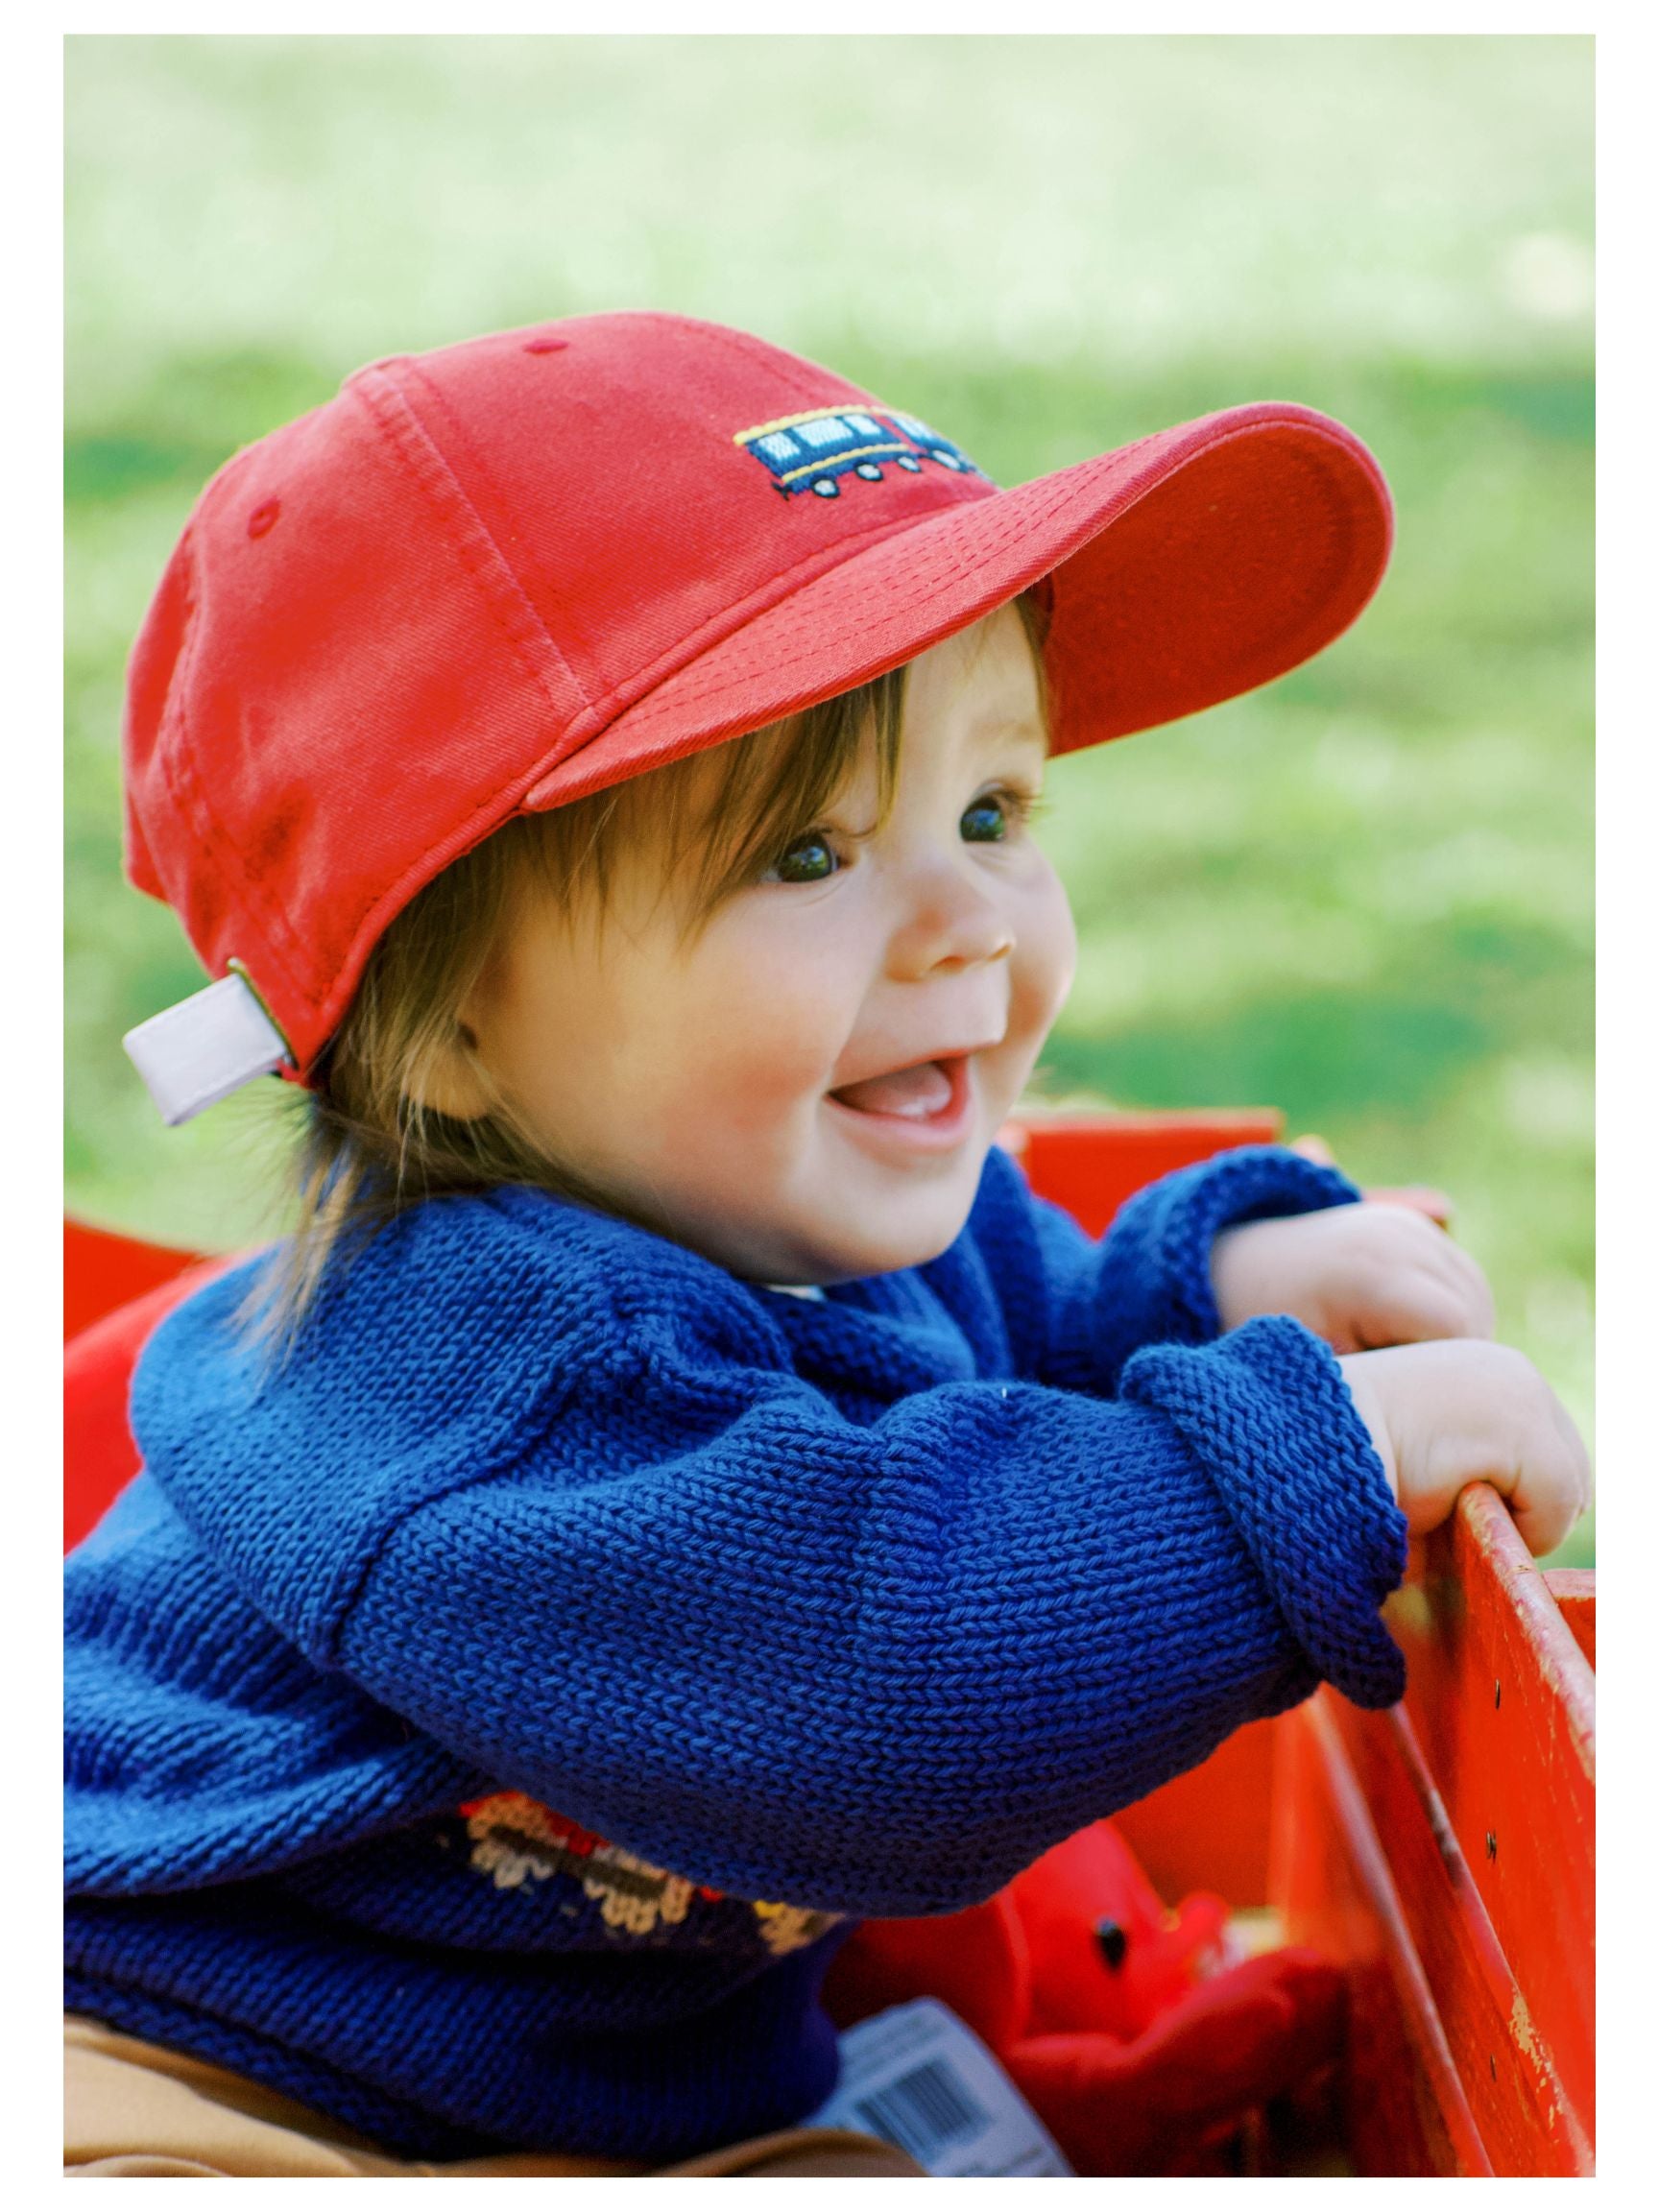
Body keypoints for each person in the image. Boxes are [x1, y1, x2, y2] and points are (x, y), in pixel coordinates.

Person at [64, 314, 1589, 2177]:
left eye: (994, 809)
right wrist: (1315, 1465)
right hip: (184, 2083)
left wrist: (1200, 1291)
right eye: (806, 856)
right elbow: (888, 1677)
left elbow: (1011, 1310)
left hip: (573, 2099)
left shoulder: (775, 1194)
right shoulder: (482, 1373)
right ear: (451, 1026)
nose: (968, 923)